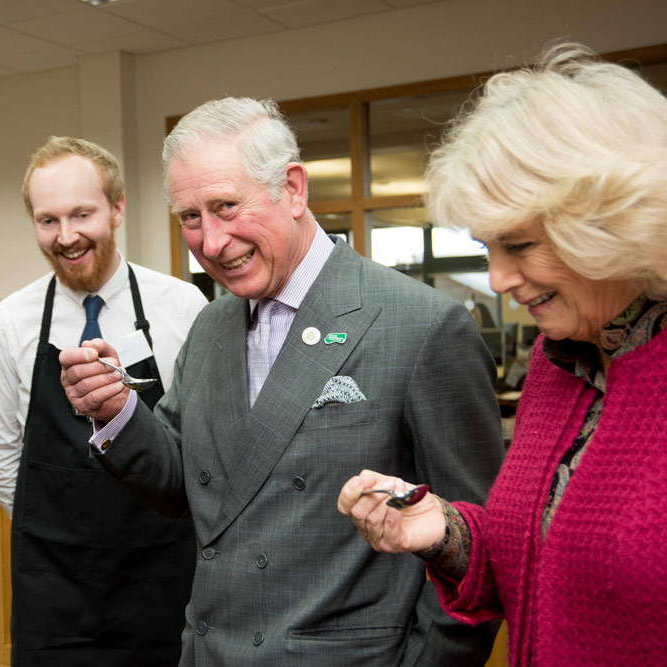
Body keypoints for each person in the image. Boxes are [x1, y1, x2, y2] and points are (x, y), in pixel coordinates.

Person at [59, 97, 506, 665]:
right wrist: (118, 409)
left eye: (226, 206)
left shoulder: (420, 326)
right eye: (191, 217)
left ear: (294, 188)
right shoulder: (211, 324)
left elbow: (479, 546)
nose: (212, 242)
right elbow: (183, 484)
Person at [337, 42, 667, 666]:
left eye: (518, 245)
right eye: (486, 247)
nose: (496, 280)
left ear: (616, 223)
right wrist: (441, 532)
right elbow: (543, 567)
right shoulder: (560, 360)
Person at [0, 136, 207, 665]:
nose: (67, 236)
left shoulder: (183, 306)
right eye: (48, 220)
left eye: (82, 214)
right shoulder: (10, 323)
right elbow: (0, 453)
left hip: (160, 575)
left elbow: (198, 441)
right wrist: (56, 532)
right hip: (53, 587)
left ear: (118, 208)